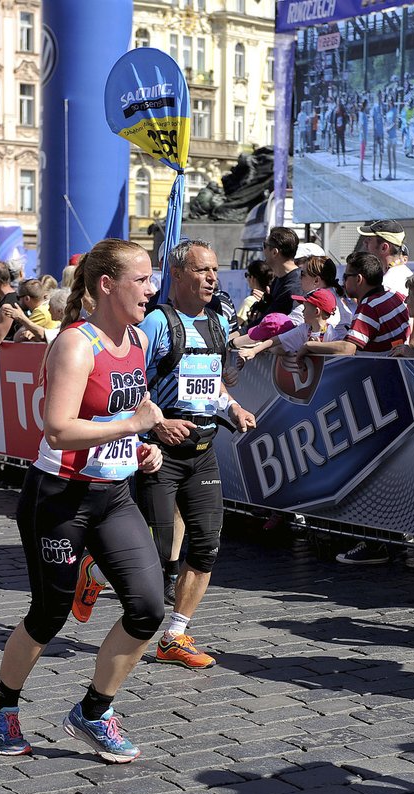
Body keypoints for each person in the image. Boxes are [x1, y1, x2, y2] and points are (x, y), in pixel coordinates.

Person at [0, 238, 166, 763]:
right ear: (107, 285)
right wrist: (132, 425)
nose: (151, 289)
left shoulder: (135, 339)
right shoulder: (75, 344)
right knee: (49, 612)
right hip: (60, 498)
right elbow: (58, 430)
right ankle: (2, 705)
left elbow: (125, 410)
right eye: (142, 279)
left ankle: (94, 710)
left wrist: (141, 445)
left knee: (149, 608)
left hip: (115, 495)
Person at [136, 239, 257, 669]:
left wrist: (233, 407)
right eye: (203, 270)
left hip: (203, 452)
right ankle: (93, 573)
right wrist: (155, 424)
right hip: (159, 453)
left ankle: (175, 635)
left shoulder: (218, 325)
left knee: (205, 546)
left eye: (215, 270)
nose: (212, 278)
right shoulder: (156, 324)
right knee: (152, 554)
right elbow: (131, 384)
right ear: (179, 275)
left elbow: (215, 384)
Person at [300, 252, 409, 567]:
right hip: (393, 393)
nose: (343, 281)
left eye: (347, 276)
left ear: (359, 279)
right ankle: (390, 541)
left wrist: (311, 347)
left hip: (376, 396)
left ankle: (375, 544)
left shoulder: (370, 306)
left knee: (371, 473)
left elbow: (350, 347)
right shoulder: (394, 299)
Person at [357, 219, 412, 296]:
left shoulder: (385, 286)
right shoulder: (404, 274)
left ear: (384, 247)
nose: (364, 242)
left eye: (369, 239)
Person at [260, 227, 301, 317]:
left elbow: (268, 322)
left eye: (264, 246)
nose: (263, 250)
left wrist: (240, 331)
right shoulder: (278, 279)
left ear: (275, 252)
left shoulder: (294, 286)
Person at [237, 260, 272, 329]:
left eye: (247, 275)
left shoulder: (249, 300)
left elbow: (235, 323)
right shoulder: (272, 299)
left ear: (252, 278)